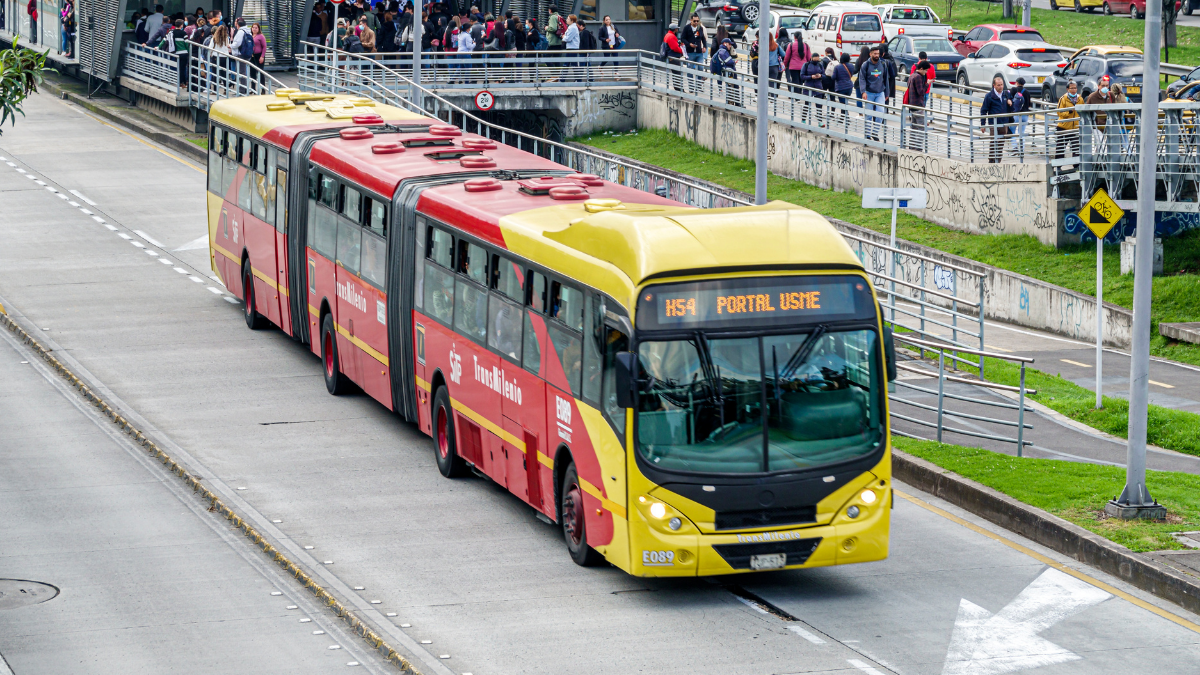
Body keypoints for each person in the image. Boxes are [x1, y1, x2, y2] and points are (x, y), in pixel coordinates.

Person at [856, 45, 890, 141]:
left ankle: (875, 132)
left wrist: (887, 93)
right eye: (874, 54)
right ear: (870, 54)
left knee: (880, 112)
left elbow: (886, 79)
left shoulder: (883, 64)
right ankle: (867, 134)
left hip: (880, 93)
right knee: (869, 114)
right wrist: (863, 92)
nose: (876, 55)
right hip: (869, 93)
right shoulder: (865, 65)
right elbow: (861, 79)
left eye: (878, 54)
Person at [980, 74, 1013, 163]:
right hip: (993, 123)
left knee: (1001, 143)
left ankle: (998, 160)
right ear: (994, 85)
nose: (1000, 86)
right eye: (998, 85)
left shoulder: (1006, 94)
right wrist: (982, 124)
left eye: (1002, 84)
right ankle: (991, 161)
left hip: (1004, 123)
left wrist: (1010, 101)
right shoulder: (989, 96)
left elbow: (1012, 103)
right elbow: (983, 110)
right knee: (994, 142)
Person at [904, 58, 929, 150]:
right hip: (918, 105)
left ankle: (912, 146)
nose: (926, 72)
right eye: (926, 70)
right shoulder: (918, 77)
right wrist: (927, 84)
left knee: (914, 127)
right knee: (921, 128)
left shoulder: (912, 75)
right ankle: (918, 147)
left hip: (912, 105)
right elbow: (921, 92)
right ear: (921, 68)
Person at [1055, 80, 1081, 163]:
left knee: (1076, 148)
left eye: (1075, 88)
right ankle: (1058, 166)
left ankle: (1076, 165)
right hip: (1063, 127)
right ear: (1067, 89)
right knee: (1061, 148)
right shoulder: (1063, 98)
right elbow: (1059, 112)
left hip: (1075, 128)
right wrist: (1068, 112)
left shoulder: (1080, 99)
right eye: (1072, 88)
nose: (1074, 90)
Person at [1007, 76, 1031, 158]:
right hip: (1025, 115)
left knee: (1011, 131)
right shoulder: (1027, 92)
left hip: (1016, 114)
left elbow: (1009, 99)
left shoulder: (1013, 90)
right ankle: (1022, 150)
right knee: (1022, 133)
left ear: (1016, 83)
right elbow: (1029, 104)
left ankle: (1015, 148)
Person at [800, 49, 825, 126]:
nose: (816, 62)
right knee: (807, 104)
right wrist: (811, 77)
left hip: (818, 86)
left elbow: (824, 75)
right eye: (815, 60)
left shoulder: (820, 65)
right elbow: (802, 76)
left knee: (819, 105)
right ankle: (803, 119)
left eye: (817, 60)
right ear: (811, 58)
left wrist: (820, 76)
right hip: (809, 86)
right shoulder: (806, 65)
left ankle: (820, 122)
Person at [830, 52, 855, 126]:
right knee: (845, 102)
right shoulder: (851, 66)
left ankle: (845, 119)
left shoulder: (837, 67)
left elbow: (833, 77)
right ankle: (843, 118)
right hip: (849, 87)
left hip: (841, 87)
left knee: (843, 103)